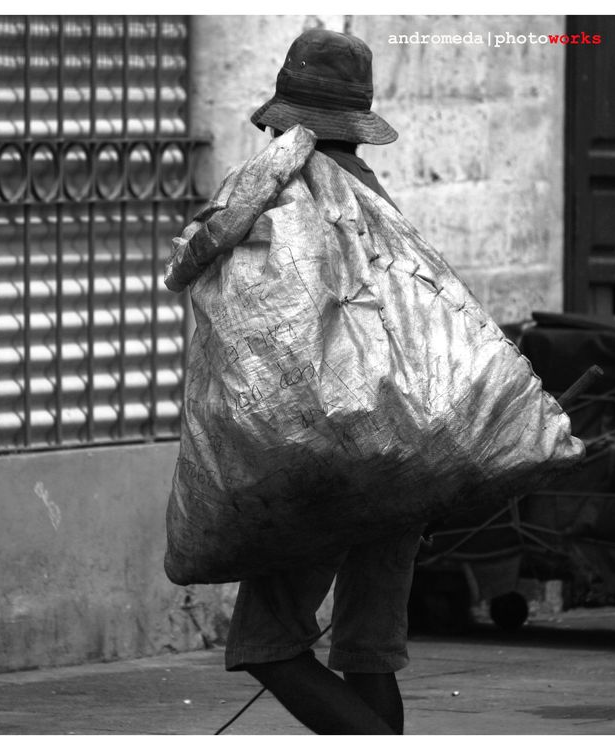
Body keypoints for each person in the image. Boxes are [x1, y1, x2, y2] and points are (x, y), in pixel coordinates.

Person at [222, 28, 424, 735]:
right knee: (368, 656)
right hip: (406, 451)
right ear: (356, 130)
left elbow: (262, 340)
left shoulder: (276, 200)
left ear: (287, 123)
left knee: (269, 643)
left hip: (321, 453)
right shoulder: (384, 206)